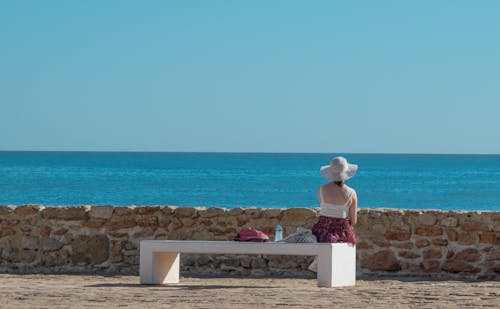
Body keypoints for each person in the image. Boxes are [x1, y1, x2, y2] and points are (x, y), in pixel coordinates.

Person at [309, 156, 358, 272]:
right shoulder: (351, 193)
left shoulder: (322, 189)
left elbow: (325, 208)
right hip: (342, 231)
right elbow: (354, 221)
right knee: (348, 235)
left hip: (323, 230)